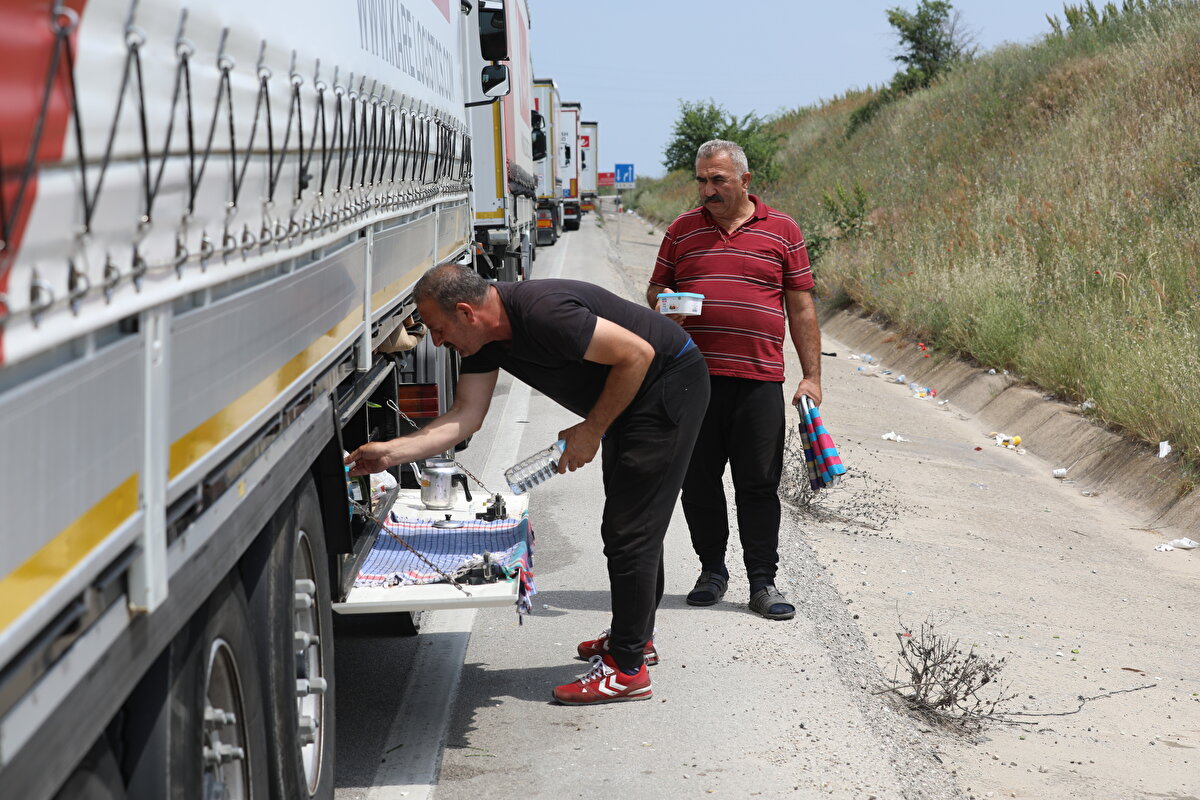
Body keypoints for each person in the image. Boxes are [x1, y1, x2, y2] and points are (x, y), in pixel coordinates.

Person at [346, 264, 709, 704]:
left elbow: (637, 355)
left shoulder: (543, 313)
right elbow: (467, 416)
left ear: (466, 312)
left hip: (668, 385)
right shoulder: (483, 339)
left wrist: (591, 430)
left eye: (439, 330)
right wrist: (391, 452)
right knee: (629, 527)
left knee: (632, 530)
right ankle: (634, 638)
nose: (436, 341)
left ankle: (627, 669)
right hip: (634, 395)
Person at [646, 139, 823, 621]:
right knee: (698, 482)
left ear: (744, 181)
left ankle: (763, 582)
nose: (707, 189)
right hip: (694, 382)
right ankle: (712, 571)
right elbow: (656, 289)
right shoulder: (682, 230)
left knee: (758, 485)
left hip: (759, 380)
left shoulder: (782, 230)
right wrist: (667, 307)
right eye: (701, 180)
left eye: (717, 180)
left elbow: (801, 305)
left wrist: (812, 376)